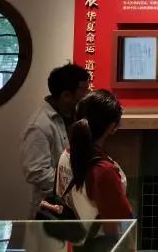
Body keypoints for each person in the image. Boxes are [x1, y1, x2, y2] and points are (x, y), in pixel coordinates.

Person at [55, 89, 133, 236]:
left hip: (76, 239)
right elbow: (115, 226)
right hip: (99, 243)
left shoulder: (65, 155)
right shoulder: (104, 170)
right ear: (112, 127)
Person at [20, 63, 89, 217]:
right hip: (50, 211)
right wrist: (76, 184)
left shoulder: (76, 116)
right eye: (84, 90)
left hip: (73, 205)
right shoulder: (39, 125)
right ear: (66, 95)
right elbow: (36, 172)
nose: (87, 95)